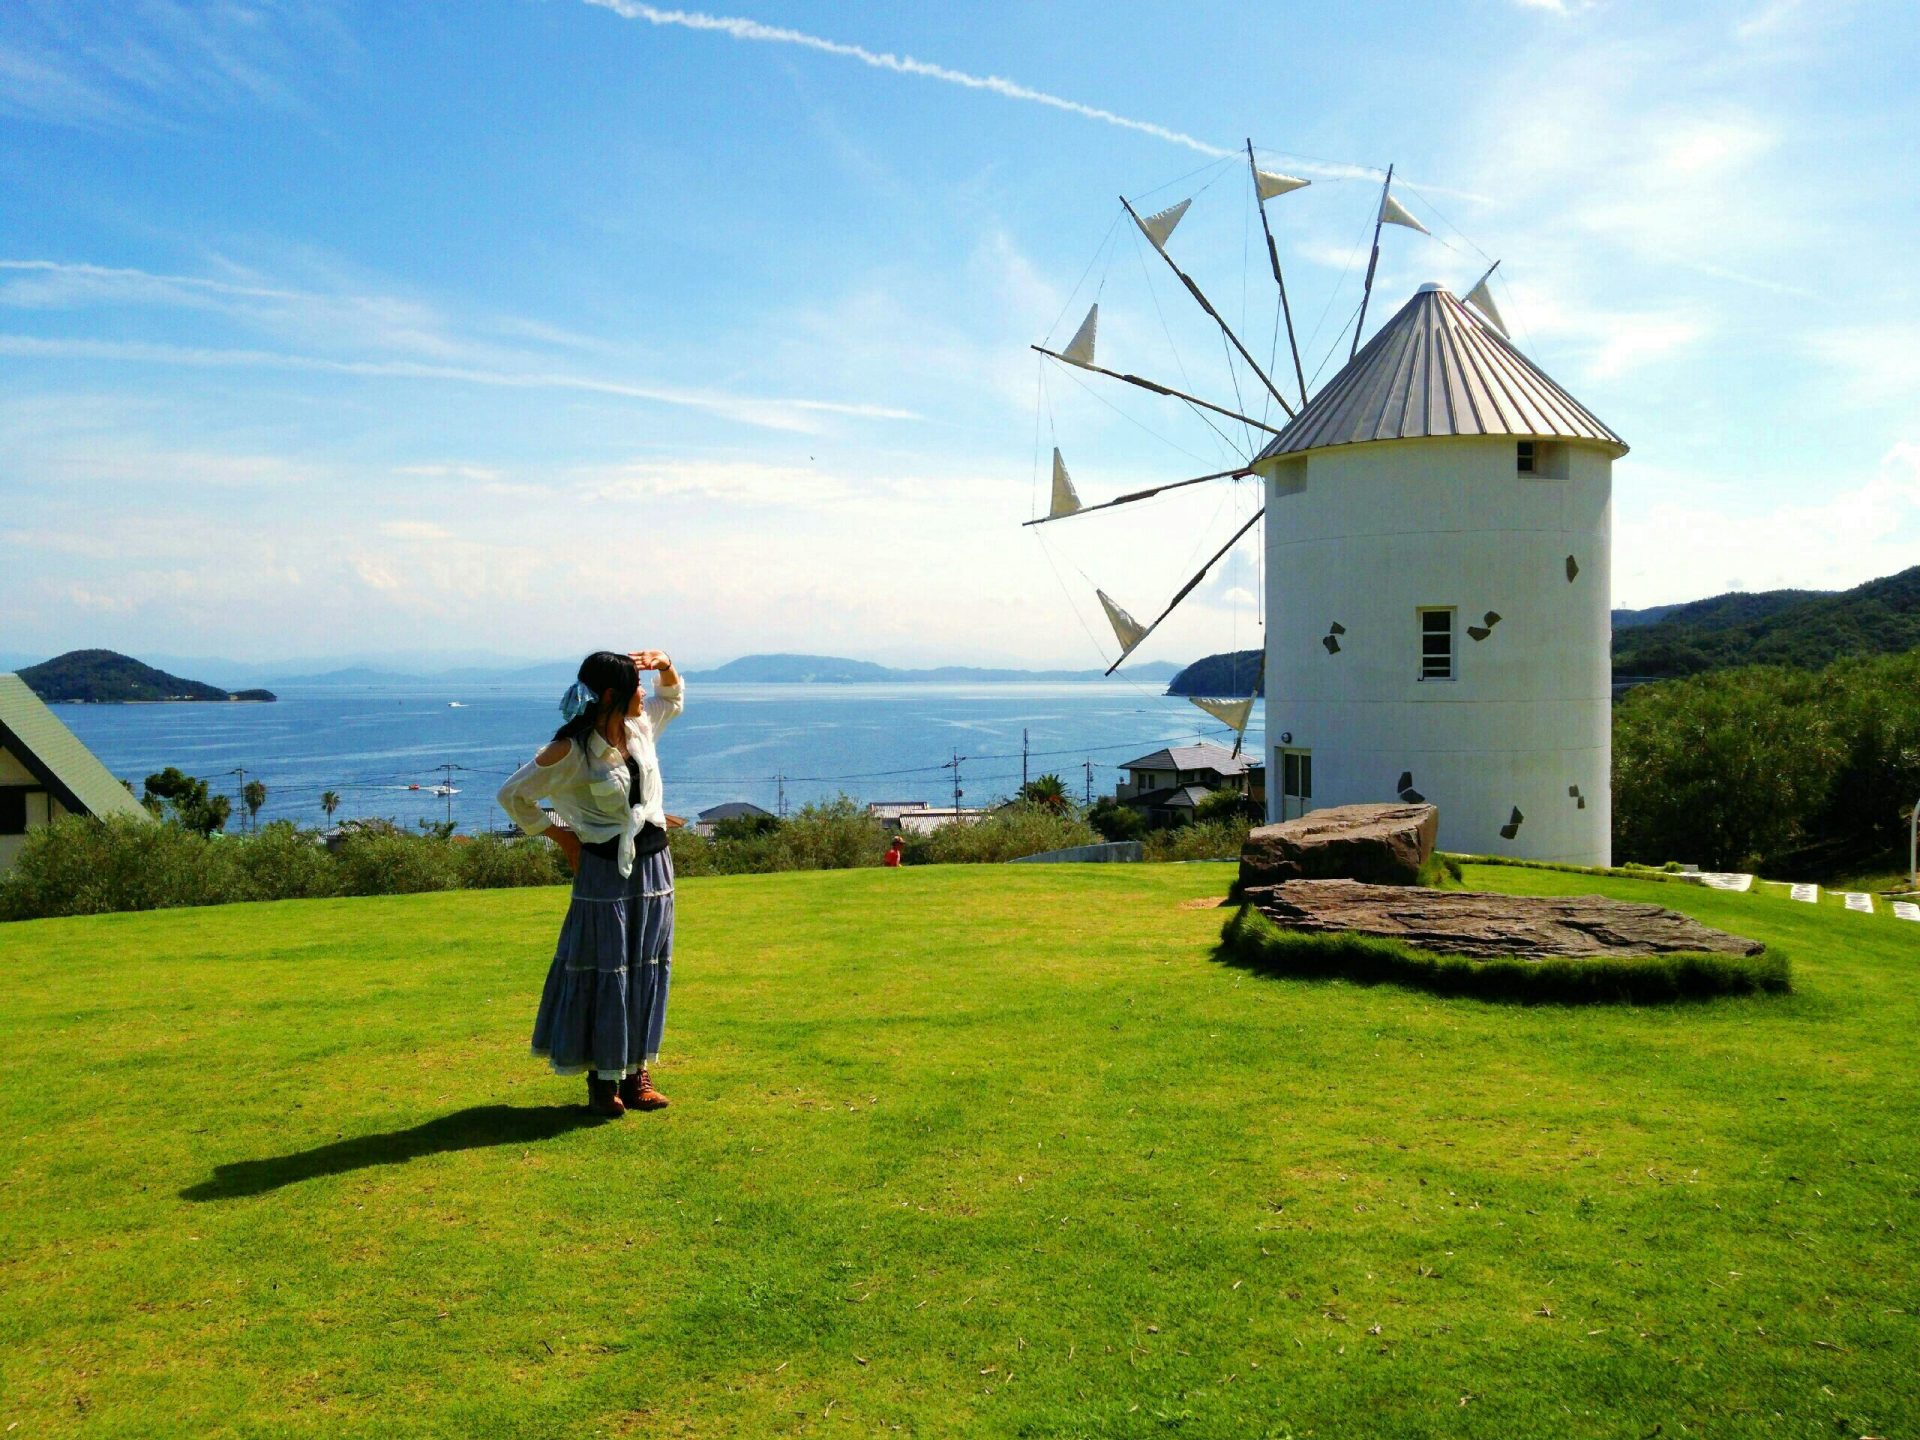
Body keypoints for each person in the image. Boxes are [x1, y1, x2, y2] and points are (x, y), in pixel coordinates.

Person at [497, 649, 683, 1117]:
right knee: (607, 972)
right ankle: (602, 1083)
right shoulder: (572, 750)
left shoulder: (640, 728)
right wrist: (560, 837)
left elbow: (672, 697)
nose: (643, 692)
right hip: (603, 872)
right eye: (634, 685)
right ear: (609, 695)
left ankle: (636, 1074)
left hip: (655, 868)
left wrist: (663, 663)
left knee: (645, 969)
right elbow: (512, 795)